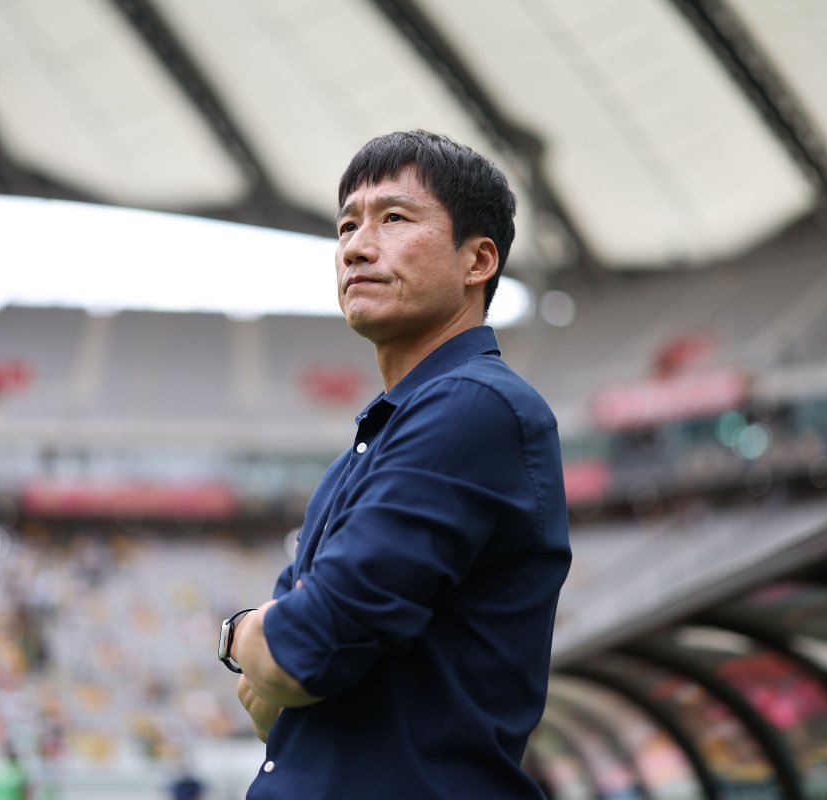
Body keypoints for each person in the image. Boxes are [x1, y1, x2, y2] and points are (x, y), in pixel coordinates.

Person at [220, 130, 571, 798]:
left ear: (478, 261)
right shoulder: (373, 444)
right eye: (347, 226)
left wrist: (237, 634)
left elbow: (299, 654)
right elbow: (266, 706)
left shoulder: (473, 406)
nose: (356, 245)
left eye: (394, 218)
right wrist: (272, 650)